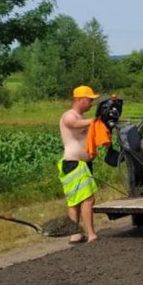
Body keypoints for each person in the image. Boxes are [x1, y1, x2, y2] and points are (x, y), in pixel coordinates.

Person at [58, 85, 100, 243]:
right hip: (74, 164)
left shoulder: (82, 117)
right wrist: (95, 121)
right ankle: (91, 234)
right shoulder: (70, 115)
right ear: (79, 100)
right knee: (87, 199)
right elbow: (72, 124)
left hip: (81, 164)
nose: (91, 103)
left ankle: (75, 234)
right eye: (89, 100)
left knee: (75, 201)